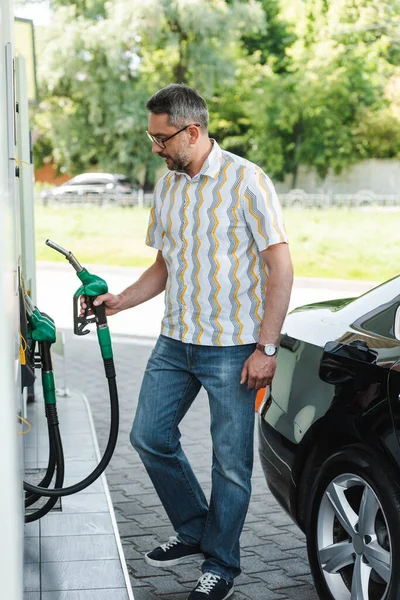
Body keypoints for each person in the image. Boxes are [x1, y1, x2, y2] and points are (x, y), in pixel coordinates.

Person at [88, 84, 293, 600]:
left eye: (162, 139)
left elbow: (280, 266)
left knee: (230, 463)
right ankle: (197, 527)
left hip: (233, 349)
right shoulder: (169, 186)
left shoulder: (248, 181)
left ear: (193, 131)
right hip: (174, 341)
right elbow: (164, 263)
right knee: (148, 438)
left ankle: (220, 564)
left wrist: (266, 348)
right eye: (152, 137)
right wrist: (122, 301)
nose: (155, 147)